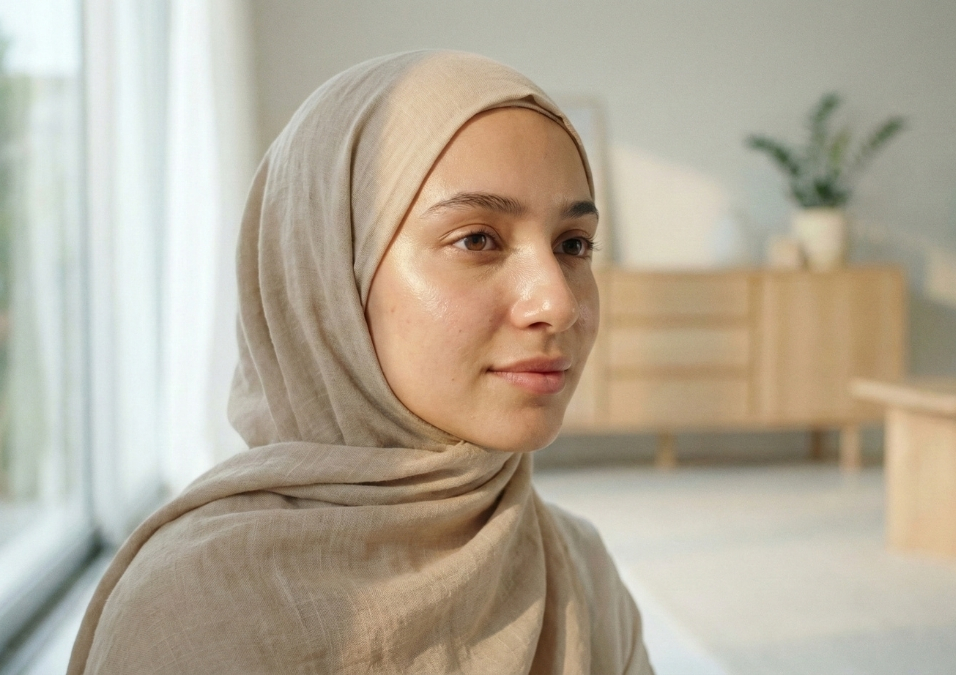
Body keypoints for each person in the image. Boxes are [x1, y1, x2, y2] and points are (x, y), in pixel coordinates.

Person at [68, 50, 653, 675]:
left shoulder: (580, 570)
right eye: (476, 239)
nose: (558, 303)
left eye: (574, 245)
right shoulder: (191, 612)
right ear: (328, 277)